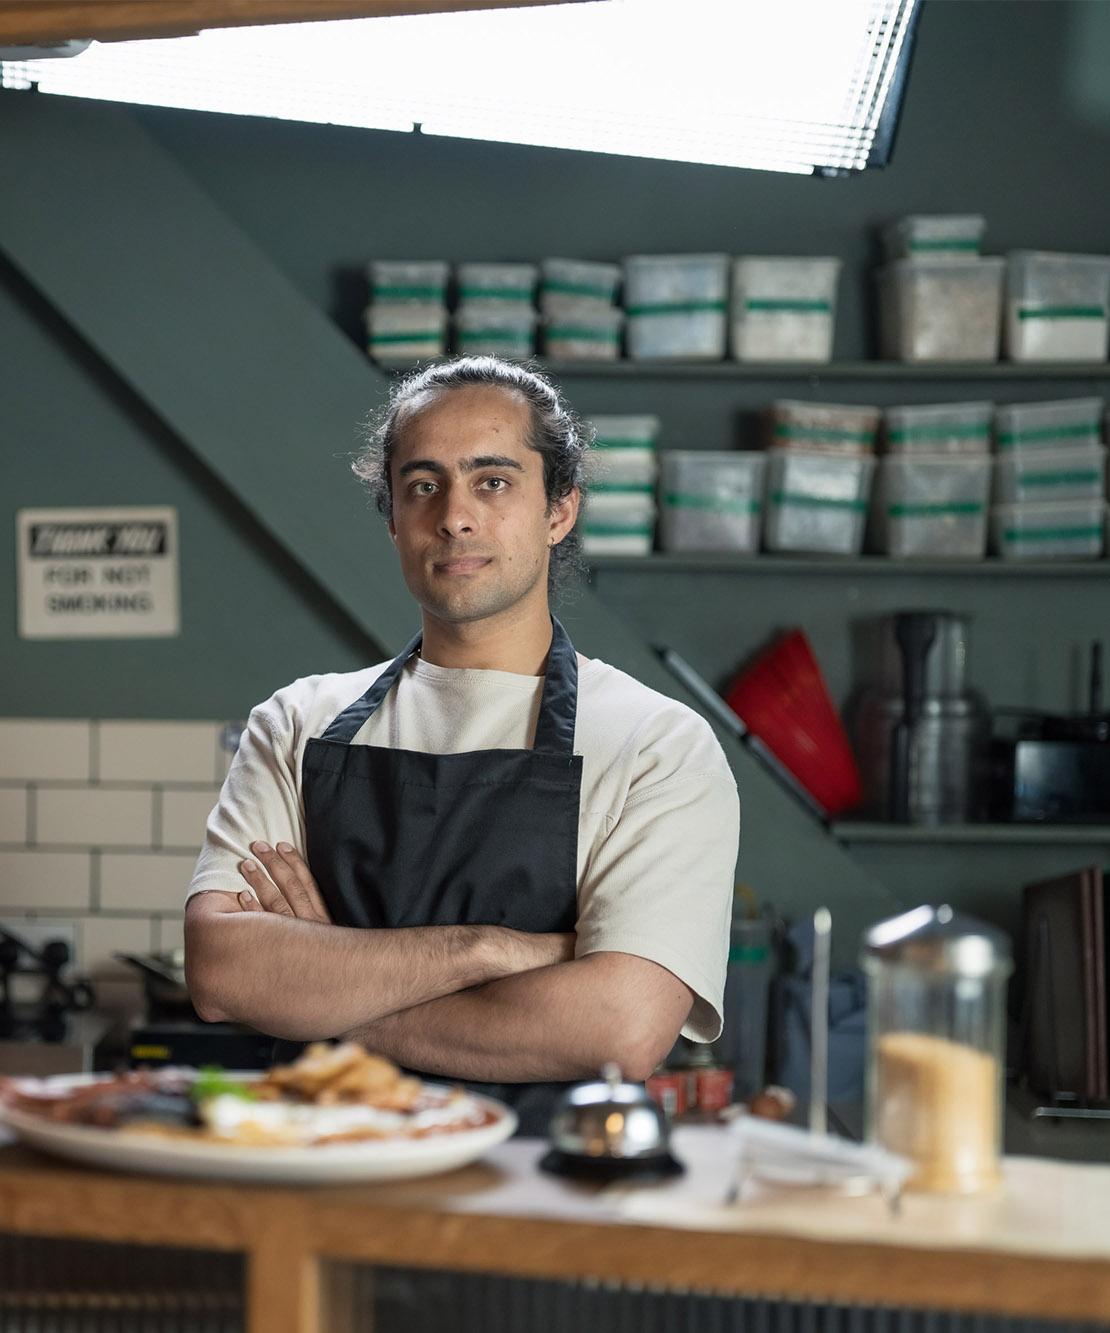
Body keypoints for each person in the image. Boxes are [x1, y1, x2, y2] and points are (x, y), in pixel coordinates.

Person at [182, 356, 738, 1133]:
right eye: (422, 485)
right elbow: (222, 971)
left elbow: (619, 1026)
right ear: (394, 517)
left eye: (494, 481)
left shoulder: (656, 746)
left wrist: (326, 993)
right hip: (317, 1194)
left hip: (538, 1208)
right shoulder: (296, 722)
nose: (454, 515)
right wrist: (488, 950)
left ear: (560, 509)